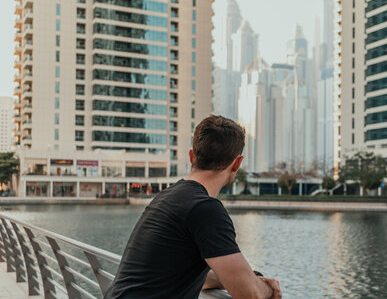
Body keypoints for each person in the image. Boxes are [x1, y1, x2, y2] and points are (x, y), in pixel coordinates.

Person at [105, 115, 281, 299]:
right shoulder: (205, 209)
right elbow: (250, 294)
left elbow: (189, 277)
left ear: (192, 156)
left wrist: (231, 279)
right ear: (236, 163)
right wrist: (269, 289)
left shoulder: (167, 197)